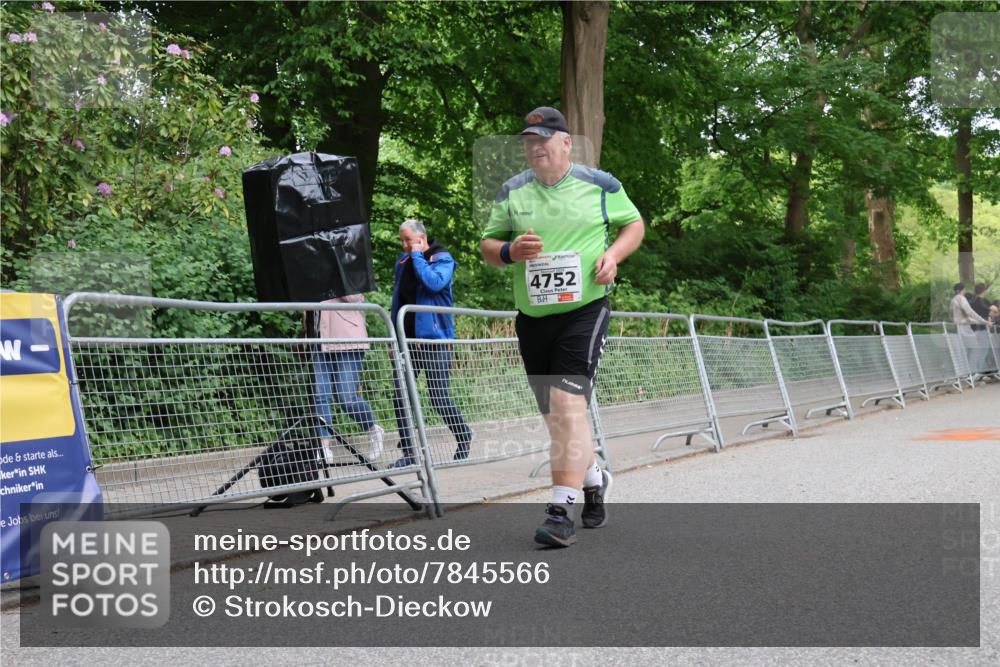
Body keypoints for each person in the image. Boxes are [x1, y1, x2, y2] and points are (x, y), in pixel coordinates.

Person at [480, 107, 644, 547]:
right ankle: (594, 479)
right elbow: (488, 246)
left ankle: (559, 510)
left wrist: (613, 257)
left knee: (567, 406)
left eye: (543, 139)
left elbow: (634, 224)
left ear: (566, 142)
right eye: (529, 141)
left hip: (584, 310)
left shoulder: (600, 185)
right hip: (532, 317)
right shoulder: (512, 191)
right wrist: (511, 250)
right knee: (559, 418)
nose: (535, 148)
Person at [389, 219, 473, 468]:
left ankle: (463, 434)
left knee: (438, 397)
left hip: (436, 341)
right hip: (407, 340)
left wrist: (418, 257)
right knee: (401, 395)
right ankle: (409, 453)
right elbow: (397, 302)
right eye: (402, 240)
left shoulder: (442, 259)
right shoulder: (402, 262)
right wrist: (393, 336)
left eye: (408, 240)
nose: (404, 245)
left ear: (421, 238)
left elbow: (434, 283)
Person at [311, 294, 384, 464]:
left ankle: (372, 429)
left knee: (346, 398)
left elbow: (354, 297)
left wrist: (333, 276)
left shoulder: (346, 267)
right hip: (318, 336)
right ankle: (324, 446)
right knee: (320, 395)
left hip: (347, 336)